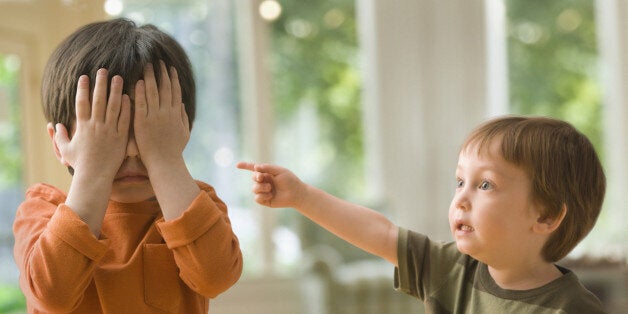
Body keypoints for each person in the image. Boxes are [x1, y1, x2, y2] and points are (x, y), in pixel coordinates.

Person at [237, 115, 607, 313]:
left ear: (544, 218)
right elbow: (379, 233)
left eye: (485, 185)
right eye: (460, 181)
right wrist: (301, 196)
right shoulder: (452, 268)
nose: (461, 198)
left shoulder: (572, 309)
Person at [13, 18, 242, 313]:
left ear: (180, 130)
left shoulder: (198, 205)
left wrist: (164, 159)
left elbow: (216, 278)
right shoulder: (42, 209)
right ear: (60, 142)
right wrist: (94, 170)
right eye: (110, 132)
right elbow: (52, 295)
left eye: (149, 129)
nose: (133, 150)